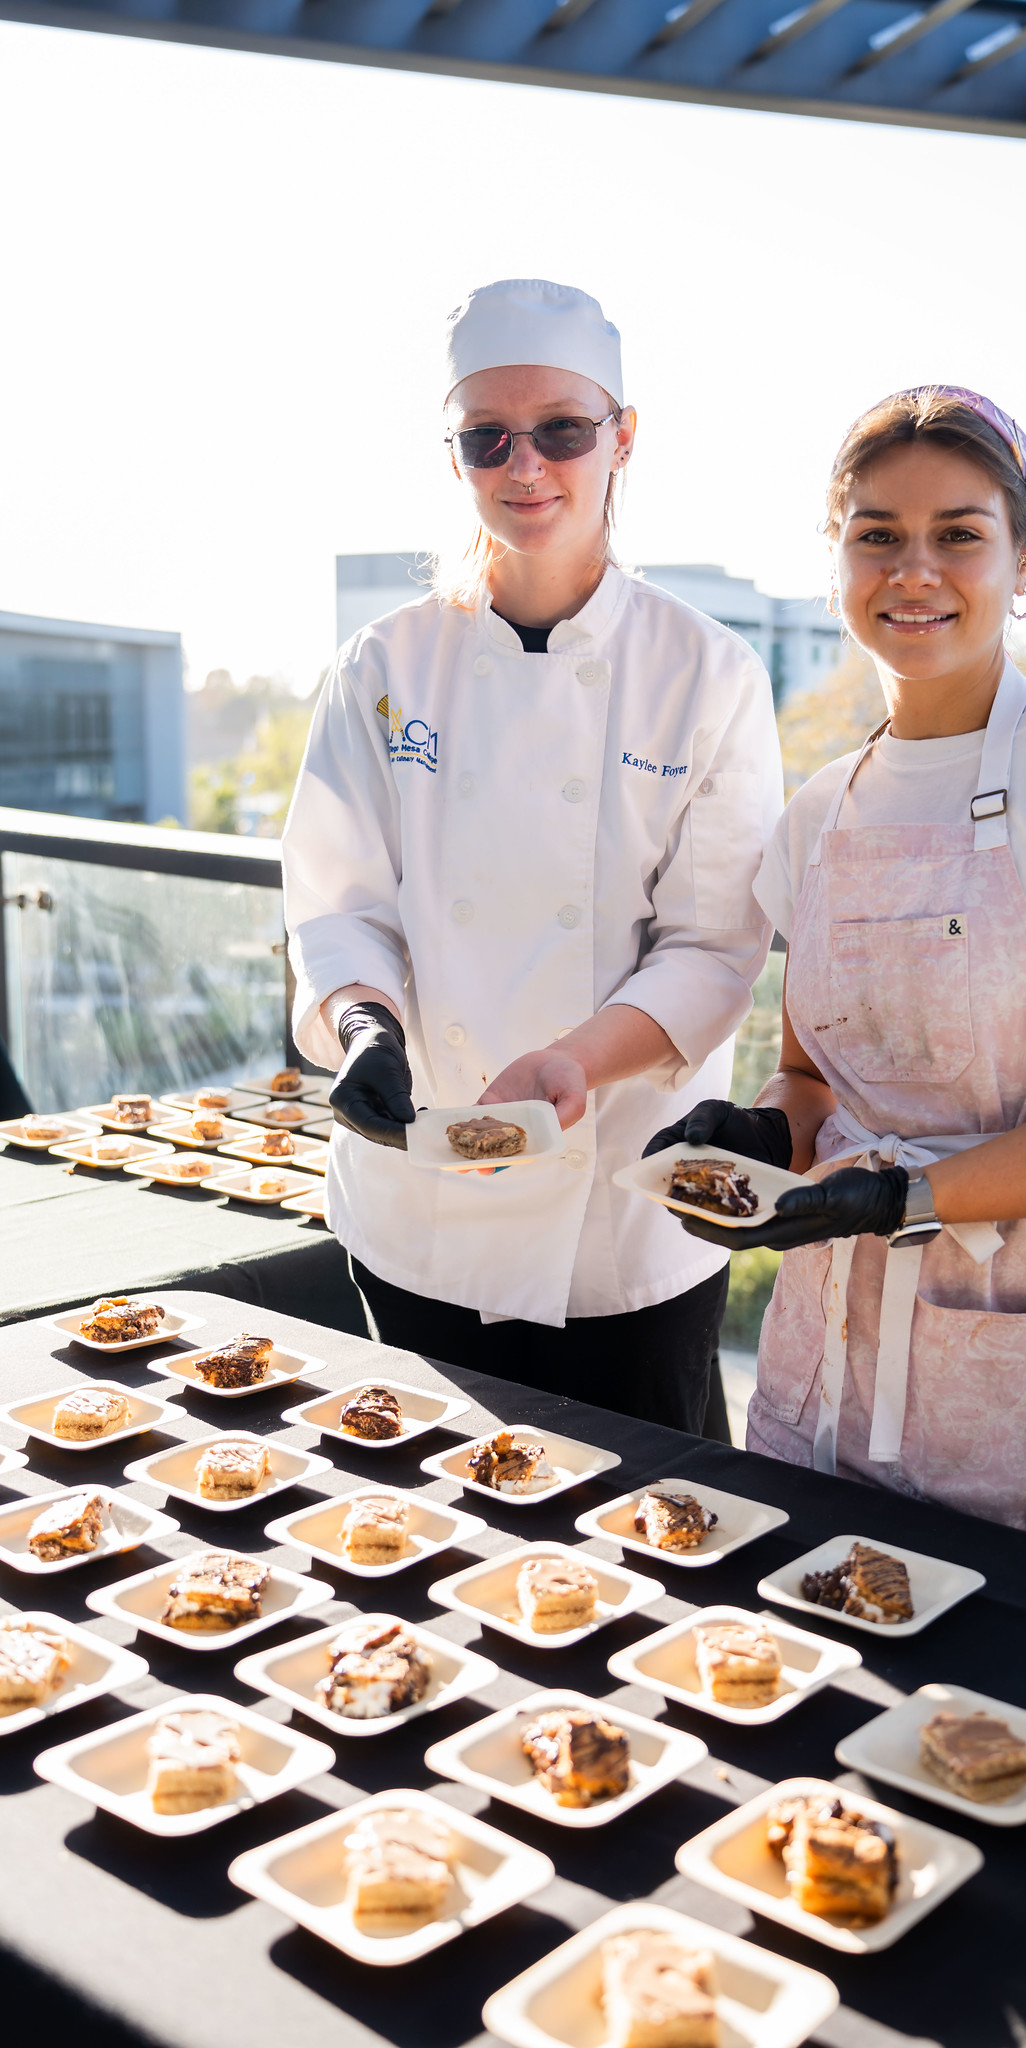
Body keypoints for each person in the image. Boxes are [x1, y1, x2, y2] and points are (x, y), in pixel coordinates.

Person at [647, 385, 1026, 1578]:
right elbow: (820, 1071)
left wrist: (907, 1200)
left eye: (958, 533)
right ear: (838, 562)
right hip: (835, 1393)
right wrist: (767, 1128)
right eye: (877, 533)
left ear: (1023, 556)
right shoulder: (817, 816)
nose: (915, 569)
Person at [283, 278, 783, 1435]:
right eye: (486, 438)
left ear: (624, 437)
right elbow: (337, 898)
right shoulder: (383, 663)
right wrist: (365, 1025)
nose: (526, 467)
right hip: (418, 1206)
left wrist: (573, 1060)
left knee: (653, 1548)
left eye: (562, 429)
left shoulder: (706, 673)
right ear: (452, 452)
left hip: (617, 1218)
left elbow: (714, 947)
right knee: (413, 1533)